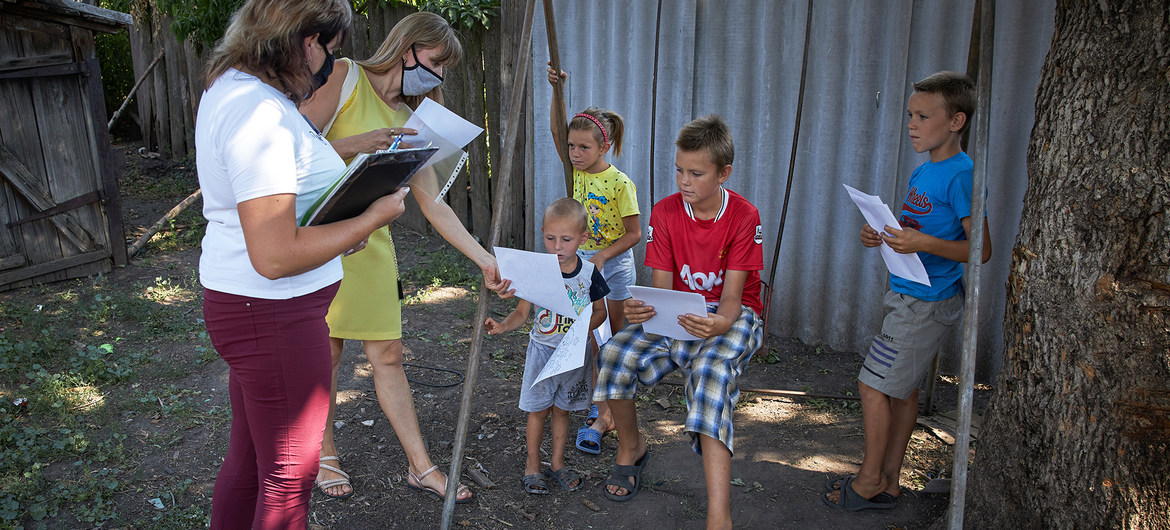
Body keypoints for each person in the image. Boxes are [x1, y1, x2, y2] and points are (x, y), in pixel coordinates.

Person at [195, 0, 410, 526]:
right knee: (290, 479)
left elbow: (277, 211)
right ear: (307, 42)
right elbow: (273, 256)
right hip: (273, 314)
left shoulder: (234, 90)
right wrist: (370, 218)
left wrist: (337, 234)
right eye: (330, 52)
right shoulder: (259, 112)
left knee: (250, 462)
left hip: (253, 307)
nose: (327, 68)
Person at [299, 11, 505, 502]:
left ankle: (422, 466)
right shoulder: (346, 75)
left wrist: (484, 259)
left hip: (371, 246)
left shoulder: (417, 119)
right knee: (325, 354)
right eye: (434, 62)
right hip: (320, 238)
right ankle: (324, 455)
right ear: (407, 47)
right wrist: (358, 144)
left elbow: (434, 204)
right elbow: (294, 148)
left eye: (443, 70)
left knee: (388, 355)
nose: (436, 76)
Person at [823, 71, 992, 511]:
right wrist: (880, 234)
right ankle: (890, 481)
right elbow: (915, 228)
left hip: (926, 304)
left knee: (872, 387)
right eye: (910, 115)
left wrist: (922, 244)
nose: (912, 124)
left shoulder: (962, 175)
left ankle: (868, 480)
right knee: (901, 390)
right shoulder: (926, 170)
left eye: (923, 116)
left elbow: (981, 250)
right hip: (907, 294)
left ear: (956, 121)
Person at [593, 115, 764, 530]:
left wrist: (719, 324)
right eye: (679, 170)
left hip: (733, 314)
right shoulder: (666, 212)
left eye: (696, 173)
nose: (684, 181)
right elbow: (662, 293)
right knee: (615, 351)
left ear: (723, 173)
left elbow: (732, 299)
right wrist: (641, 311)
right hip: (679, 314)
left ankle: (718, 513)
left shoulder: (744, 215)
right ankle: (631, 448)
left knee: (710, 371)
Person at [483, 198, 610, 494]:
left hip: (574, 355)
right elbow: (521, 313)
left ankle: (557, 463)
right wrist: (502, 326)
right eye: (550, 238)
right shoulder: (538, 271)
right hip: (542, 353)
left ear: (583, 238)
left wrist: (583, 329)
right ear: (542, 233)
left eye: (566, 239)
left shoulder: (589, 274)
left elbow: (601, 313)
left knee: (562, 410)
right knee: (538, 411)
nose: (557, 246)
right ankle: (532, 465)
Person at [546, 67, 642, 455]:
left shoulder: (620, 183)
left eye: (584, 148)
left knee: (615, 341)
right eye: (572, 147)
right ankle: (602, 413)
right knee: (591, 334)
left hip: (613, 266)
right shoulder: (575, 172)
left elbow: (635, 233)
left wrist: (602, 255)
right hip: (582, 264)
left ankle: (615, 411)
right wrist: (557, 90)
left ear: (604, 148)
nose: (575, 154)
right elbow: (556, 130)